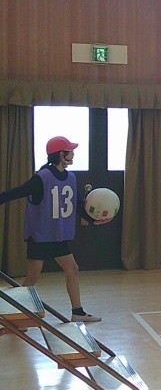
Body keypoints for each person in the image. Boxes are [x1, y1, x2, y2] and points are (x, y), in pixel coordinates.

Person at [0, 136, 110, 323]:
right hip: (41, 235)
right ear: (61, 154)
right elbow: (18, 192)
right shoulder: (42, 177)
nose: (73, 154)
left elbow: (77, 205)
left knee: (72, 269)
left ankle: (77, 312)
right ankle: (15, 318)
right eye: (70, 151)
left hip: (59, 235)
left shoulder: (71, 177)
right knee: (32, 278)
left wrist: (93, 220)